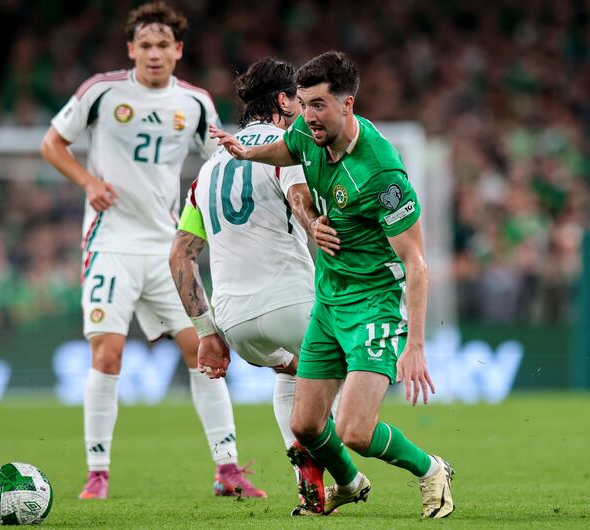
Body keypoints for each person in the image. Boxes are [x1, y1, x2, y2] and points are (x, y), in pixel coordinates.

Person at [210, 51, 455, 519]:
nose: (308, 116)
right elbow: (289, 149)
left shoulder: (381, 173)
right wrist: (247, 152)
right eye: (302, 103)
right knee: (304, 425)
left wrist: (416, 345)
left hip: (373, 306)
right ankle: (347, 486)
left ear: (348, 103)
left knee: (355, 432)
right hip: (327, 301)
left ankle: (432, 470)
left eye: (319, 104)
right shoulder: (306, 131)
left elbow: (417, 263)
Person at [41, 1, 264, 500]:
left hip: (166, 248)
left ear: (178, 50)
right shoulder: (102, 92)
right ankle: (97, 473)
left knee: (203, 350)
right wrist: (87, 181)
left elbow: (218, 164)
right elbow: (52, 143)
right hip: (110, 244)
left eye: (163, 45)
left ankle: (227, 470)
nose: (154, 53)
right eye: (145, 45)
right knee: (109, 353)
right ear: (131, 49)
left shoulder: (196, 103)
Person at [169, 58, 340, 513]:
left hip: (234, 323)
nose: (305, 111)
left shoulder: (208, 169)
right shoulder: (288, 146)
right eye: (299, 101)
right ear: (283, 100)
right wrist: (317, 231)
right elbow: (300, 199)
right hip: (292, 302)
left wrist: (206, 332)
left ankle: (307, 482)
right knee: (350, 371)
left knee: (291, 372)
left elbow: (179, 255)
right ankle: (343, 474)